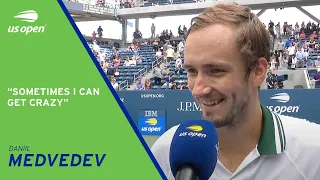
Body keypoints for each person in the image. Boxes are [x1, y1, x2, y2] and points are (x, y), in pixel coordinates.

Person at [151, 3, 320, 180]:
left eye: (215, 70)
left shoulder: (313, 152)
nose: (198, 89)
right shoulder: (164, 150)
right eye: (192, 71)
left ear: (258, 72)